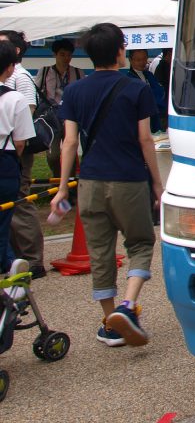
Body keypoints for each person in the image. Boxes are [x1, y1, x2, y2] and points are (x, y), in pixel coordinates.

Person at [51, 22, 163, 348]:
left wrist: (61, 188)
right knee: (140, 244)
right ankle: (128, 307)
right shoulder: (136, 89)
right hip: (128, 179)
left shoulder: (74, 91)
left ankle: (109, 323)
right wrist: (157, 183)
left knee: (99, 253)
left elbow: (69, 143)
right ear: (120, 51)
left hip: (90, 182)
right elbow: (146, 139)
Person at [0, 29, 45, 279]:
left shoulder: (22, 78)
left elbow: (28, 112)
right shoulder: (12, 94)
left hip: (14, 155)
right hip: (8, 154)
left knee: (18, 204)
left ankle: (28, 259)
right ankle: (10, 261)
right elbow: (19, 136)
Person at [35, 38, 86, 177]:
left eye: (69, 55)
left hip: (71, 117)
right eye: (62, 54)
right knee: (53, 155)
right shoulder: (45, 72)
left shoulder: (78, 73)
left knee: (70, 149)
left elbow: (83, 95)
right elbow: (37, 94)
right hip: (51, 118)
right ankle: (58, 178)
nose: (66, 58)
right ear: (55, 54)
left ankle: (69, 183)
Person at [124, 49, 165, 133]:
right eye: (138, 60)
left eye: (144, 59)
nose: (142, 62)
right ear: (130, 60)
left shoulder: (149, 75)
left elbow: (160, 93)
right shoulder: (128, 80)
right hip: (140, 121)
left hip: (155, 117)